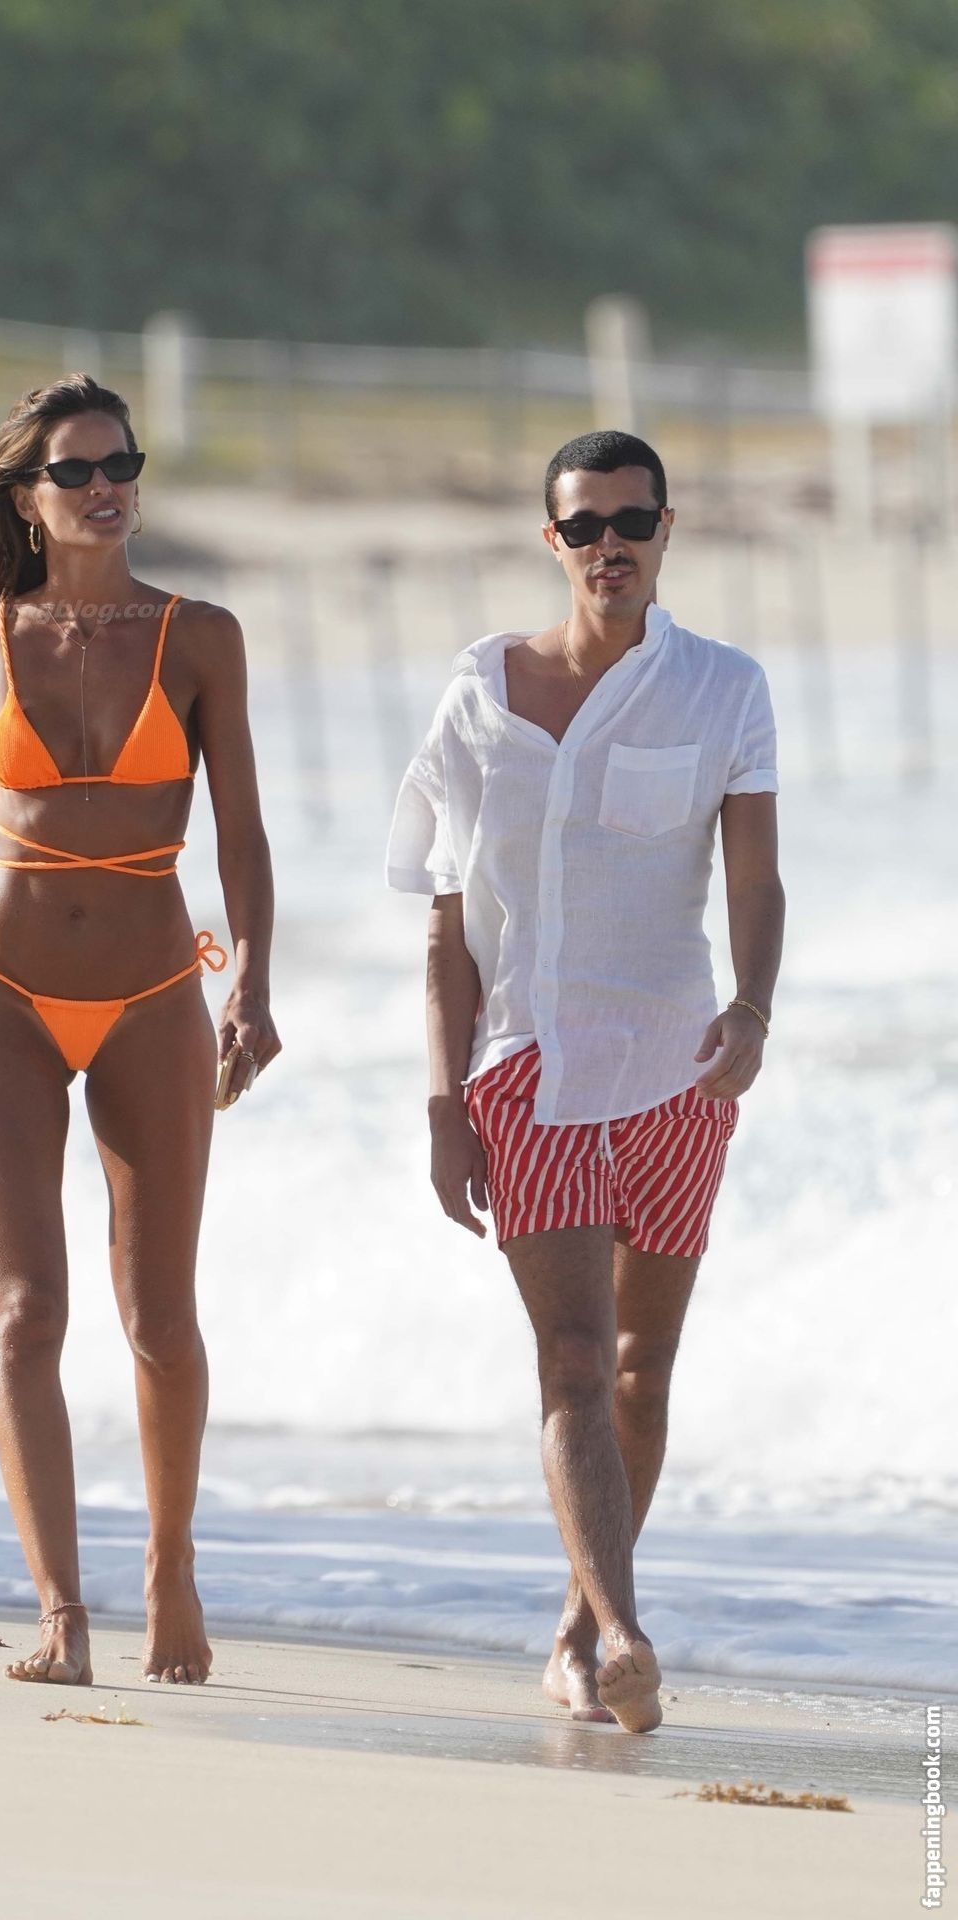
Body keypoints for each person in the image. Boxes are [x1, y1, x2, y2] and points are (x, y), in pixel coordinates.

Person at [0, 374, 279, 1687]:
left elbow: (242, 833)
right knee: (22, 1317)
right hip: (4, 993)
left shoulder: (200, 636)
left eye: (122, 465)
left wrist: (252, 981)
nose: (106, 488)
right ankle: (60, 1613)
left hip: (156, 995)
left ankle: (171, 1563)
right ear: (28, 498)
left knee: (159, 1318)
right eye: (77, 471)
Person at [386, 429, 783, 1733]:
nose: (609, 545)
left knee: (639, 1370)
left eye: (632, 521)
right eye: (584, 526)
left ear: (668, 529)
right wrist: (444, 1106)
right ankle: (622, 1633)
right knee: (568, 1358)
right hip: (525, 1066)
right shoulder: (480, 698)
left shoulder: (725, 689)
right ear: (550, 540)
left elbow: (757, 880)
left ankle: (575, 1625)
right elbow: (448, 928)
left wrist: (752, 1008)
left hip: (678, 1069)